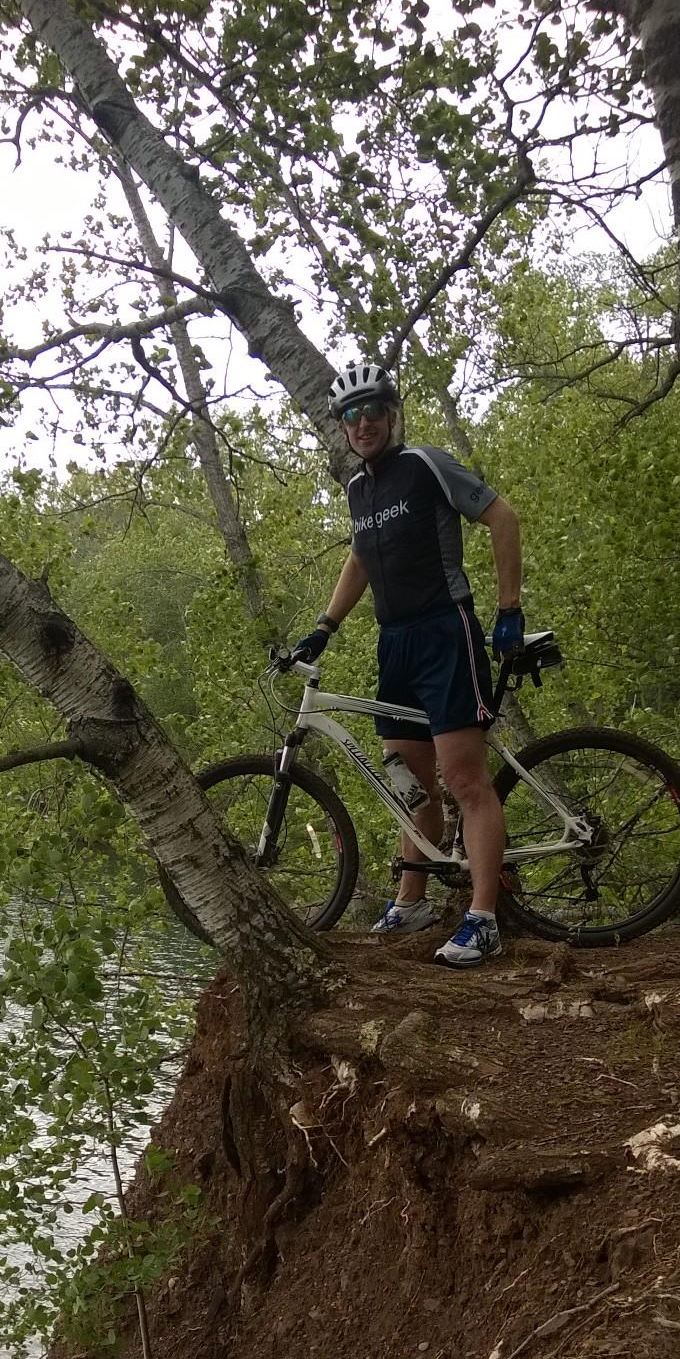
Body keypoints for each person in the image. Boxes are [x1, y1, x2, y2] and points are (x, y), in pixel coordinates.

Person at [292, 361, 524, 969]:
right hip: (394, 644)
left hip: (445, 633)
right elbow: (362, 559)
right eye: (351, 415)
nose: (363, 422)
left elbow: (503, 518)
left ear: (391, 416)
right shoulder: (357, 490)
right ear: (342, 428)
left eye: (373, 411)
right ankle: (412, 901)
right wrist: (325, 626)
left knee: (464, 780)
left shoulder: (425, 465)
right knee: (407, 782)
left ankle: (482, 919)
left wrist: (508, 610)